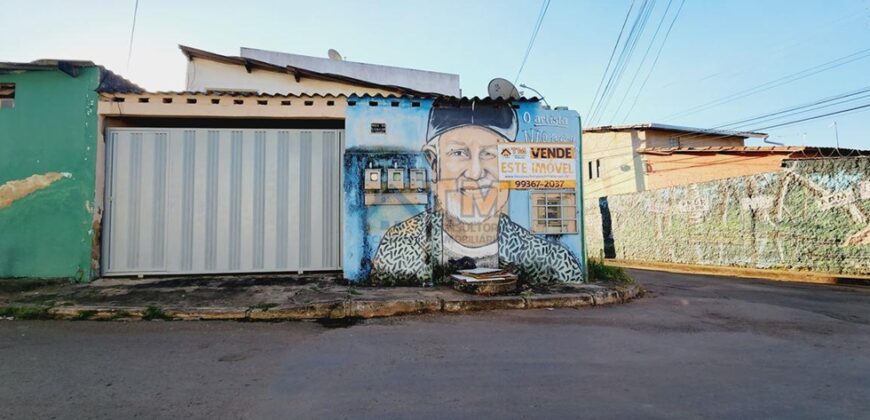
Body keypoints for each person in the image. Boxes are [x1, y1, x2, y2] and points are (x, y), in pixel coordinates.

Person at [370, 100, 583, 286]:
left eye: (489, 153)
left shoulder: (553, 261)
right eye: (459, 153)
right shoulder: (399, 245)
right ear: (434, 164)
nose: (475, 172)